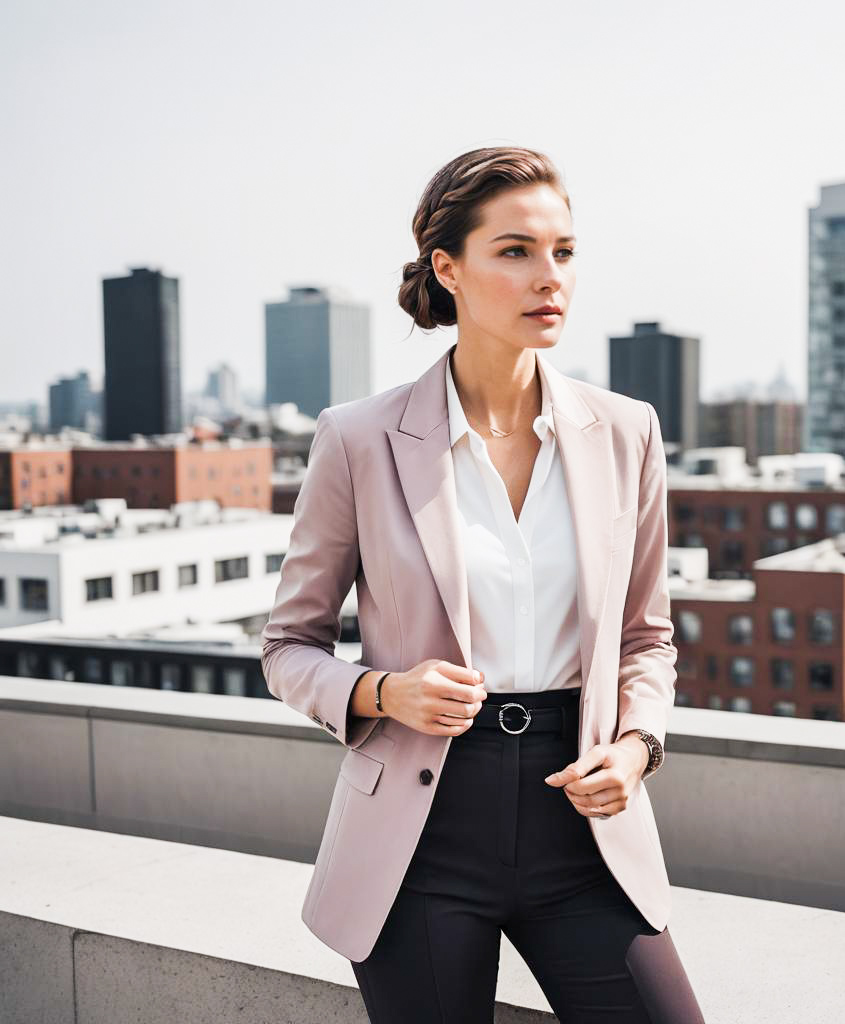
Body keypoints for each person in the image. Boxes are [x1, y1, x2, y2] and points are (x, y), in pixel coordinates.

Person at [261, 145, 707, 1022]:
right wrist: (385, 691)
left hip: (580, 820)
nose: (551, 278)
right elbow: (288, 647)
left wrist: (638, 746)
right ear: (447, 268)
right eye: (515, 251)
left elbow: (646, 638)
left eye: (564, 252)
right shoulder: (358, 438)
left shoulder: (628, 432)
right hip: (418, 841)